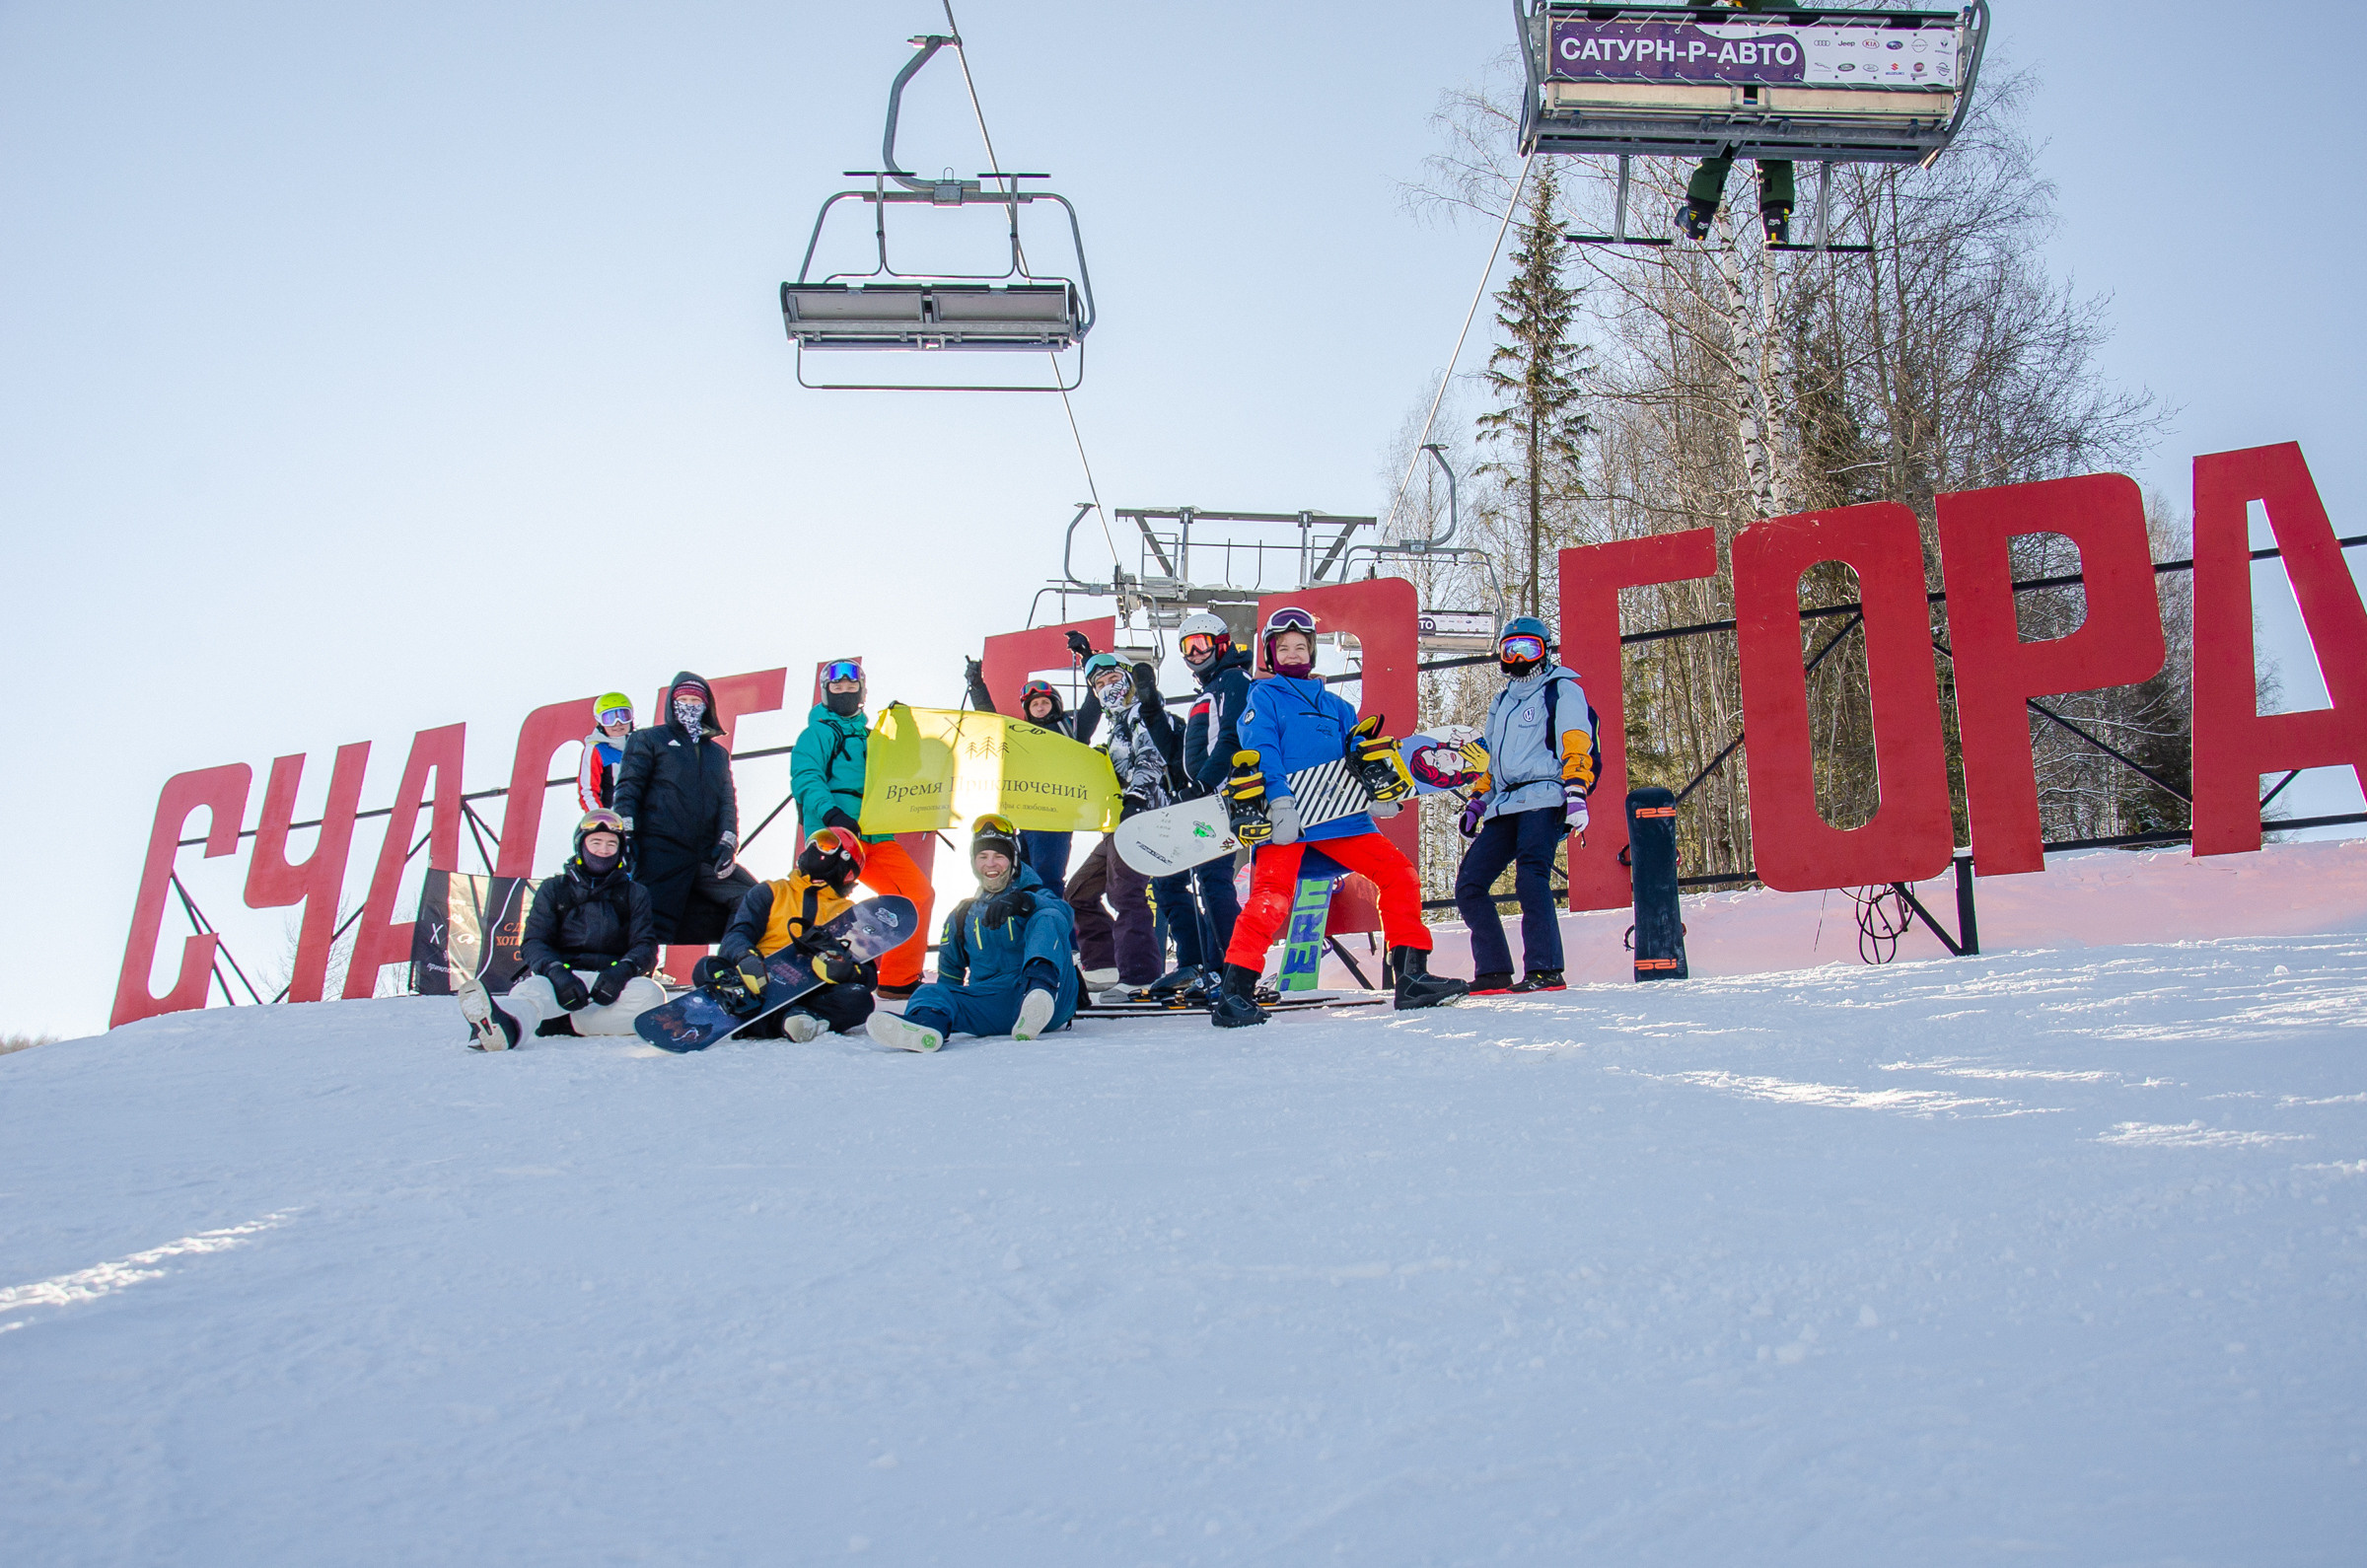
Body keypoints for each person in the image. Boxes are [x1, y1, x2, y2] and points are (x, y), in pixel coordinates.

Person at [1208, 606, 1470, 1028]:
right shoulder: (1265, 696)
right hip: (1286, 818)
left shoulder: (1337, 706)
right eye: (1283, 648)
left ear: (1311, 651)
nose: (1292, 654)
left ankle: (1411, 977)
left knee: (1400, 875)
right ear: (1271, 655)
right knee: (1271, 899)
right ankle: (1234, 994)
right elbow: (1262, 751)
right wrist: (1279, 802)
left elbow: (1358, 758)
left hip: (1341, 820)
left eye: (1300, 646)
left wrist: (1376, 795)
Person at [1452, 616, 1597, 995]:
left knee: (1531, 876)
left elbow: (1575, 739)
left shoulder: (1561, 689)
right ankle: (1494, 970)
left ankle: (1546, 968)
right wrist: (1477, 802)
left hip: (1545, 795)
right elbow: (1490, 760)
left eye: (1528, 648)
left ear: (1545, 650)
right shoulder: (1501, 701)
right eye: (1509, 649)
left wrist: (1576, 791)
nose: (1517, 657)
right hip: (1505, 803)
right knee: (1470, 884)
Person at [456, 809, 663, 1050]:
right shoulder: (554, 888)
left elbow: (645, 945)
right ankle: (507, 1027)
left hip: (610, 984)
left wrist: (622, 971)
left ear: (620, 850)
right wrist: (557, 973)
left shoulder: (634, 893)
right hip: (562, 981)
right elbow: (534, 942)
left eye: (611, 844)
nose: (603, 850)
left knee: (652, 996)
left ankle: (558, 1022)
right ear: (581, 846)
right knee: (530, 990)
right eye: (596, 842)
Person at [789, 657, 934, 1000]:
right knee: (821, 902)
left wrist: (907, 730)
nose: (843, 690)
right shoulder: (818, 733)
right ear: (825, 693)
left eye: (850, 685)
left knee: (917, 894)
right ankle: (798, 970)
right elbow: (806, 777)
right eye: (836, 686)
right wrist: (832, 814)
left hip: (875, 833)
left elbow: (904, 770)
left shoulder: (872, 738)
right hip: (834, 834)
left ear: (862, 691)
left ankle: (898, 980)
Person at [871, 816, 1080, 1052]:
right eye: (983, 857)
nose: (990, 864)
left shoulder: (1037, 896)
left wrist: (1025, 901)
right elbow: (950, 977)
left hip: (1052, 999)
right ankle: (927, 1026)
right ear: (973, 862)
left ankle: (1038, 993)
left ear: (1013, 860)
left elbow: (1063, 915)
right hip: (994, 1002)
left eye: (999, 856)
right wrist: (941, 1004)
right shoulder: (963, 914)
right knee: (930, 992)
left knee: (1048, 917)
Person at [692, 826, 879, 1043]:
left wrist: (848, 971)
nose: (813, 848)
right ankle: (792, 1020)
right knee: (706, 967)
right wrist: (745, 956)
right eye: (812, 842)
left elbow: (869, 975)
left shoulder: (849, 914)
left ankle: (761, 1018)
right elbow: (737, 934)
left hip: (810, 988)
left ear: (846, 864)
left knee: (859, 999)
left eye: (826, 844)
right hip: (758, 981)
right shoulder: (771, 891)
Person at [613, 672, 757, 947]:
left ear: (706, 706)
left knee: (753, 897)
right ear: (671, 703)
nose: (689, 706)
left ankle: (732, 961)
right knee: (649, 921)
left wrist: (728, 842)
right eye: (683, 700)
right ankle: (638, 973)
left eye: (695, 700)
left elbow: (727, 800)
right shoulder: (648, 740)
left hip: (705, 855)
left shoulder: (717, 754)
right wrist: (626, 835)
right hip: (659, 850)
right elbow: (629, 788)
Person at [1062, 654, 1175, 993]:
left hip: (1145, 816)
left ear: (1127, 679)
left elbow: (1151, 756)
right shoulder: (1116, 729)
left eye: (1112, 679)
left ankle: (1139, 975)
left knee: (1126, 893)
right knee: (1077, 893)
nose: (1106, 688)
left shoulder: (1143, 715)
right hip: (1118, 823)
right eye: (1099, 685)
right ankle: (1103, 966)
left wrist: (1137, 796)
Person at [960, 629, 1103, 887]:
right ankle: (1025, 924)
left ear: (1056, 705)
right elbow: (990, 721)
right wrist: (976, 686)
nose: (1038, 706)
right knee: (1017, 882)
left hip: (1054, 815)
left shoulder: (1070, 729)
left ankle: (1053, 924)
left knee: (1046, 879)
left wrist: (1088, 657)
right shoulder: (1020, 736)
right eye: (1033, 704)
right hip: (1023, 818)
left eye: (1044, 702)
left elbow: (1095, 701)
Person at [1676, 0, 1802, 244]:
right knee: (1776, 145)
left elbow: (1691, 12)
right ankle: (1776, 221)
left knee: (1721, 146)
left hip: (1744, 72)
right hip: (1784, 74)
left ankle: (1697, 216)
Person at [1172, 610, 1252, 982]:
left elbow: (1234, 737)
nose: (1195, 653)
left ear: (1221, 645)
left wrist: (1204, 784)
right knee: (1197, 880)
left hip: (1225, 795)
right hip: (1209, 796)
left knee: (1214, 880)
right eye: (1188, 647)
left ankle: (1237, 966)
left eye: (1202, 644)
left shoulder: (1234, 679)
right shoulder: (1212, 688)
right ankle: (1215, 964)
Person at [577, 693, 633, 813]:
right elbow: (588, 791)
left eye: (624, 715)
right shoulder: (596, 749)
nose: (618, 723)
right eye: (609, 718)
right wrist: (601, 818)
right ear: (600, 721)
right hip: (614, 818)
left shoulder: (641, 743)